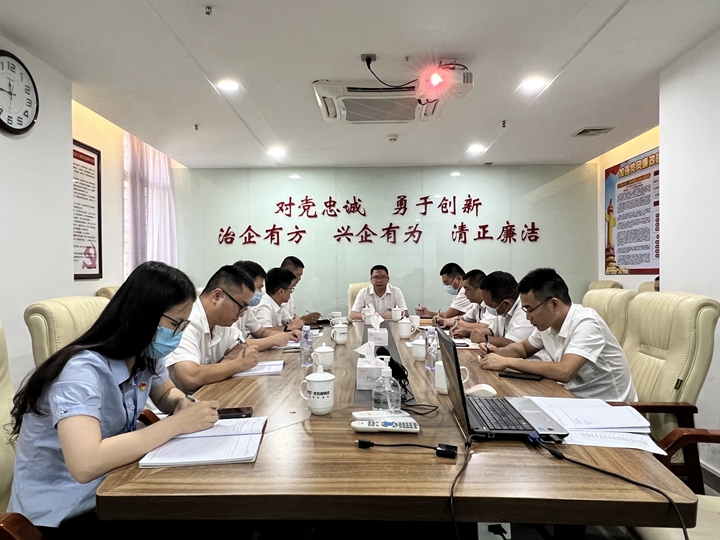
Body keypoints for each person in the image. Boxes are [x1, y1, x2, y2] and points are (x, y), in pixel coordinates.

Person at [8, 261, 219, 534]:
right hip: (61, 514)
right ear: (143, 314)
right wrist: (177, 424)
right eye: (174, 324)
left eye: (183, 325)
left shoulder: (144, 355)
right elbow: (86, 463)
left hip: (113, 487)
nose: (177, 334)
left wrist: (181, 403)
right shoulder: (80, 371)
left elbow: (166, 392)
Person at [478, 268, 637, 401]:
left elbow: (564, 371)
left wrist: (508, 362)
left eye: (530, 310)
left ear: (554, 304)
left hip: (611, 407)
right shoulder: (548, 324)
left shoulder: (587, 323)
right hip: (572, 397)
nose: (528, 317)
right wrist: (498, 352)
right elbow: (523, 348)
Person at [165, 265, 261, 393]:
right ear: (217, 296)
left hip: (207, 394)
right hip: (178, 402)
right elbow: (190, 377)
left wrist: (225, 364)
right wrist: (239, 364)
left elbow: (239, 346)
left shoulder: (221, 321)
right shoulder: (187, 320)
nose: (242, 314)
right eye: (241, 306)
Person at [232, 260, 301, 350]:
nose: (261, 292)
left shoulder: (246, 309)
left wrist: (288, 335)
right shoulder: (229, 311)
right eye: (259, 287)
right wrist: (274, 340)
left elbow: (261, 332)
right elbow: (237, 345)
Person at [254, 267, 305, 331]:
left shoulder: (278, 306)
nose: (291, 292)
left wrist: (296, 323)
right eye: (291, 288)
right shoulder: (263, 306)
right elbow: (264, 331)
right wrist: (288, 327)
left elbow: (291, 321)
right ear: (281, 291)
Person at [280, 256, 321, 324]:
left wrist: (304, 319)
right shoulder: (271, 292)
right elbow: (282, 322)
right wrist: (302, 320)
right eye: (298, 275)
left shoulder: (289, 291)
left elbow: (289, 317)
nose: (299, 279)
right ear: (286, 273)